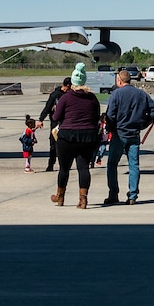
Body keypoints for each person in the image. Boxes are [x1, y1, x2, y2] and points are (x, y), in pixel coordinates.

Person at [102, 68, 154, 206]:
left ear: (119, 80)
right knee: (134, 165)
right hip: (134, 133)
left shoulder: (116, 94)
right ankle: (133, 195)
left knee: (112, 164)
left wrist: (108, 127)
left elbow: (110, 115)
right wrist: (144, 124)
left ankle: (113, 194)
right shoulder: (141, 94)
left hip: (119, 134)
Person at [48, 76, 101, 209]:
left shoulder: (65, 97)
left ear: (72, 84)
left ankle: (60, 197)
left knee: (64, 169)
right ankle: (83, 200)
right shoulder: (92, 98)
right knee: (83, 168)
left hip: (67, 136)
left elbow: (56, 117)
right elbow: (96, 116)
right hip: (87, 136)